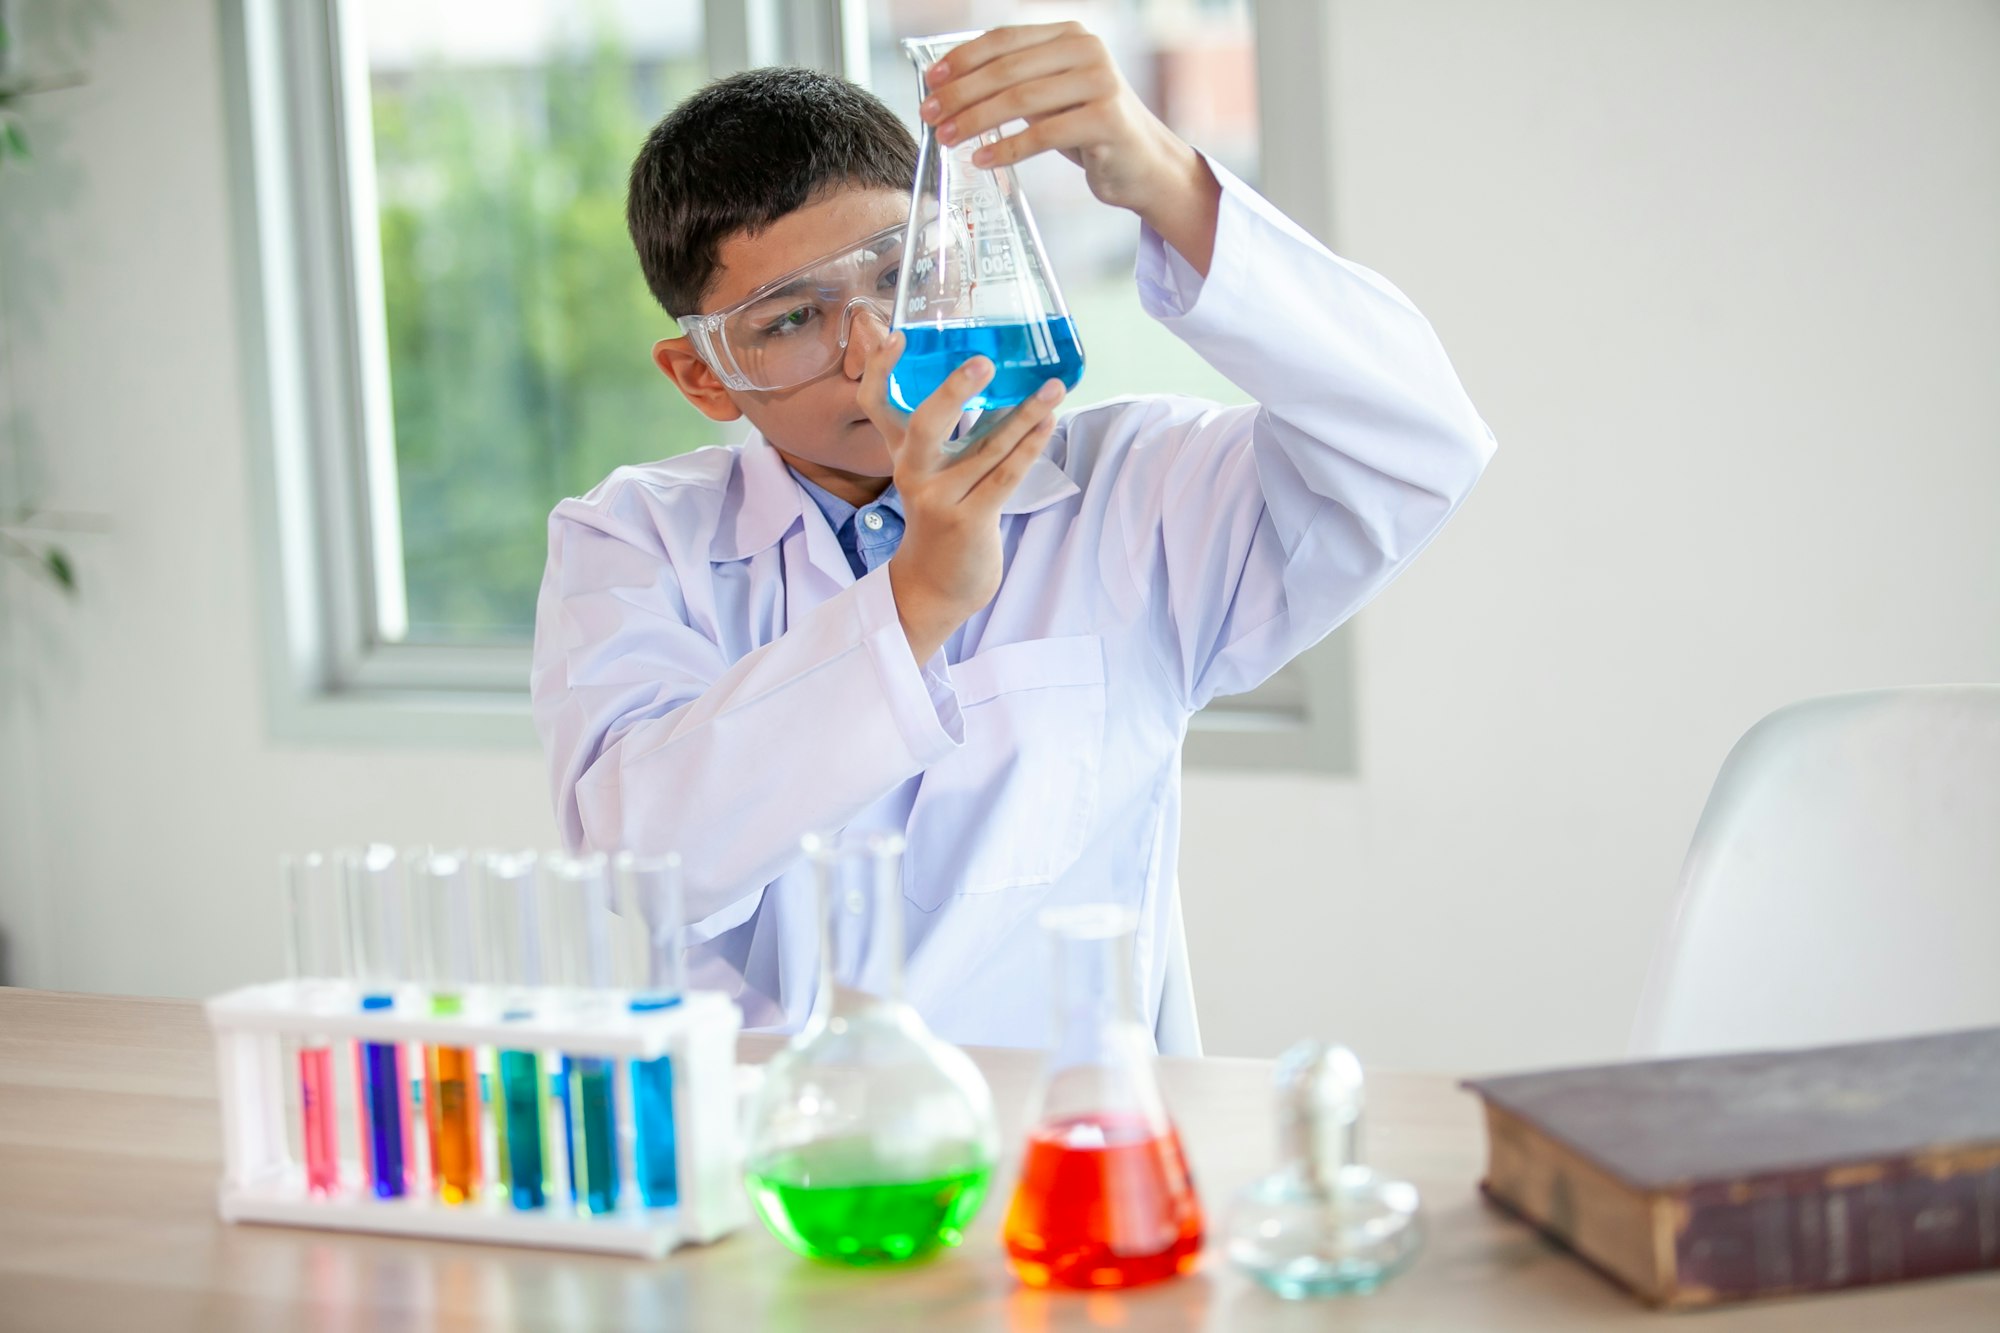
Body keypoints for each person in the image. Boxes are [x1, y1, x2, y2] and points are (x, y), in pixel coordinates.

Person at [531, 24, 1496, 1053]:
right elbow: (641, 863)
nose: (873, 349)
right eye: (788, 321)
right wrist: (915, 604)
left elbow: (1417, 443)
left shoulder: (1127, 489)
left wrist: (1166, 179)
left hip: (1074, 1152)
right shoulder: (632, 541)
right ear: (702, 376)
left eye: (900, 275)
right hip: (782, 1162)